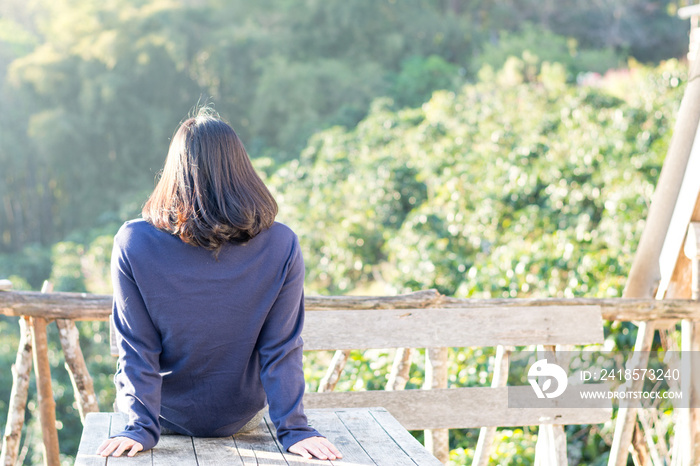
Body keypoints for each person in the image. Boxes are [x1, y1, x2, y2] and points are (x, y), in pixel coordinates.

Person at [97, 109, 342, 461]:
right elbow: (280, 348)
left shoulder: (132, 241)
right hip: (243, 417)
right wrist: (294, 428)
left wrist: (139, 426)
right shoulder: (281, 243)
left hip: (161, 420)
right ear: (240, 169)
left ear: (175, 172)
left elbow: (137, 347)